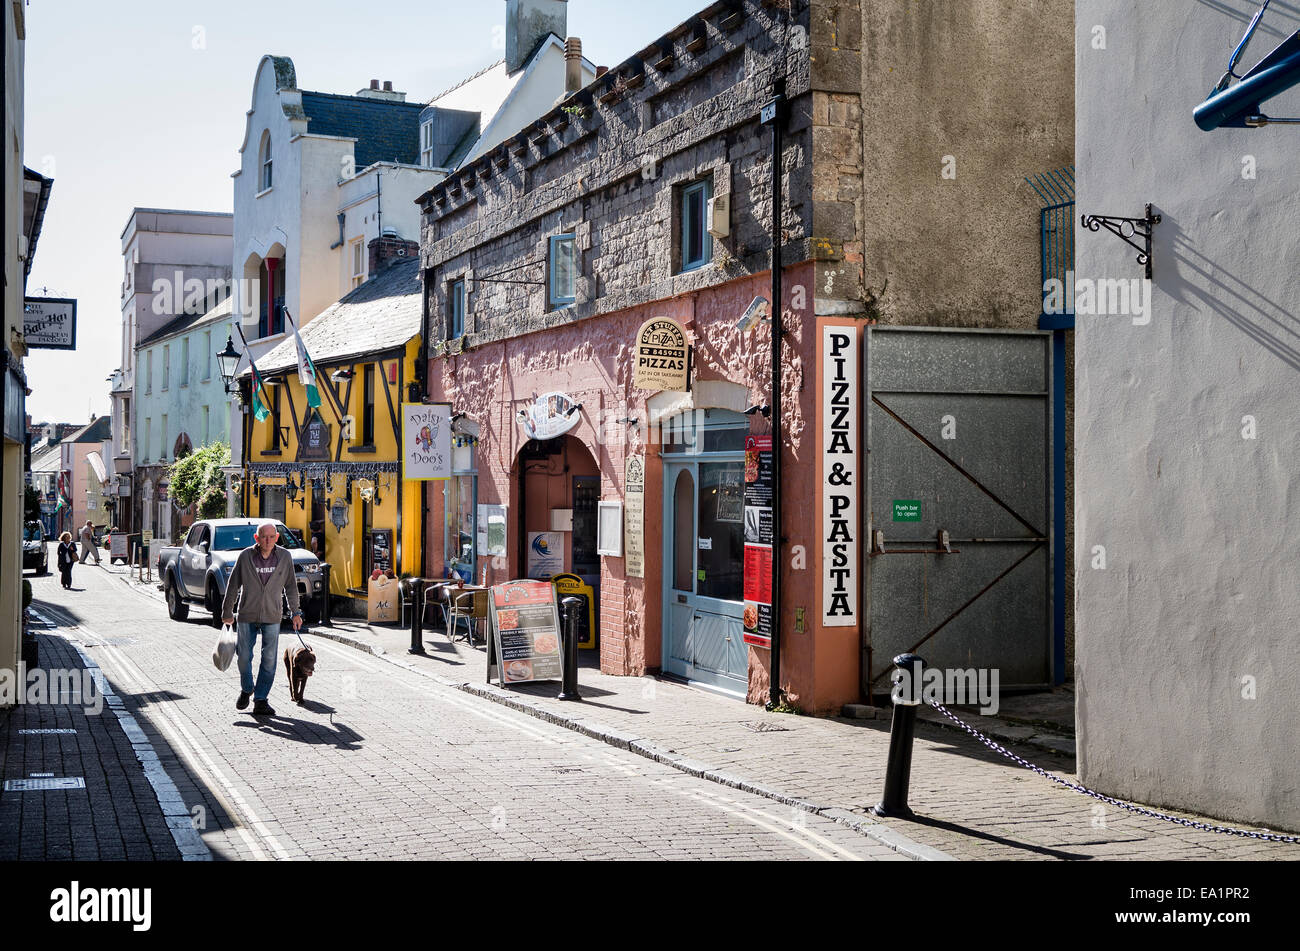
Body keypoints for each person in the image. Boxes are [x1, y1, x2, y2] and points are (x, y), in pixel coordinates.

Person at [221, 520, 303, 717]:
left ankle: (260, 699)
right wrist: (227, 612)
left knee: (269, 660)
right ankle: (247, 688)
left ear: (277, 537)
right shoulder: (246, 556)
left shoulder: (284, 556)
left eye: (272, 537)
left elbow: (291, 586)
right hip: (247, 614)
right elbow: (233, 586)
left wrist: (296, 612)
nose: (268, 541)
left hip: (272, 614)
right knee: (244, 657)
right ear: (256, 538)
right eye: (264, 537)